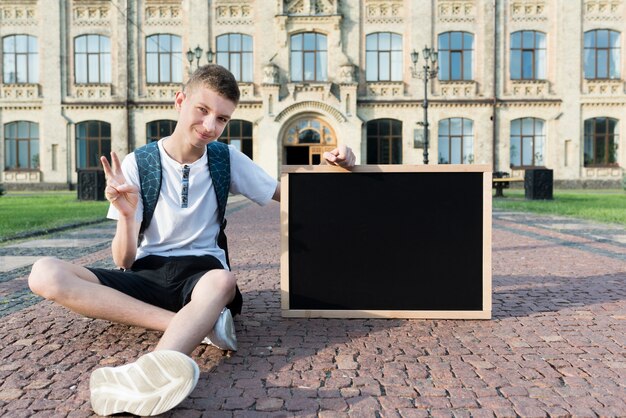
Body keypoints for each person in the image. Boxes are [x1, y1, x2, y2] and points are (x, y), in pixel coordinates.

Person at [27, 64, 355, 416]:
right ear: (180, 101)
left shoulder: (225, 158)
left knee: (223, 280)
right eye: (203, 110)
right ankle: (199, 325)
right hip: (146, 274)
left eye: (222, 119)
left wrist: (336, 167)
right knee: (44, 273)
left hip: (202, 276)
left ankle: (151, 370)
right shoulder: (140, 163)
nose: (211, 126)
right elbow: (123, 260)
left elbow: (291, 195)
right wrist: (125, 216)